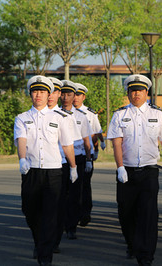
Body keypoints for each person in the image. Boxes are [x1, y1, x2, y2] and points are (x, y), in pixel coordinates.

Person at [107, 74, 162, 266]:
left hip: (149, 171)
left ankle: (146, 255)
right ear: (128, 93)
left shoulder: (157, 115)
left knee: (148, 214)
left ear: (146, 92)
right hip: (127, 172)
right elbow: (117, 144)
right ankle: (132, 244)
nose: (136, 94)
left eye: (140, 90)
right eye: (132, 90)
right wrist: (120, 167)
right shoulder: (119, 115)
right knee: (126, 212)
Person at [14, 75, 77, 266]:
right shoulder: (22, 118)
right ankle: (40, 242)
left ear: (48, 94)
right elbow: (21, 140)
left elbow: (67, 145)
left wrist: (73, 167)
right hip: (31, 171)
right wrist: (22, 159)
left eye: (42, 92)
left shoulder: (60, 118)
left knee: (50, 214)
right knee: (30, 211)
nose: (38, 95)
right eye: (35, 91)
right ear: (30, 94)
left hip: (53, 172)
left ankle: (45, 255)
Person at [60, 80, 93, 240]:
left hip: (78, 158)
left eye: (69, 94)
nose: (66, 97)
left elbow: (86, 141)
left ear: (74, 96)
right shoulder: (54, 114)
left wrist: (88, 159)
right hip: (60, 160)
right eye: (63, 94)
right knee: (60, 194)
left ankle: (71, 226)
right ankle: (60, 224)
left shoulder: (81, 116)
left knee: (74, 194)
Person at [73, 83, 105, 226]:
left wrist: (97, 149)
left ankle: (85, 212)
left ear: (83, 97)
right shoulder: (63, 112)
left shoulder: (90, 113)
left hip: (86, 154)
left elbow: (96, 133)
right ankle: (73, 213)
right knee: (71, 186)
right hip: (69, 154)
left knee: (85, 185)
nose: (76, 97)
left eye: (79, 95)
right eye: (74, 94)